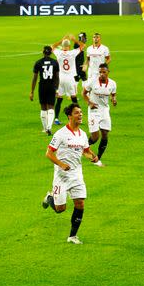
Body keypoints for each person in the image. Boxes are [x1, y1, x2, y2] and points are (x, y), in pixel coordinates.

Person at [42, 104, 102, 244]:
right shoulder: (61, 134)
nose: (80, 115)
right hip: (61, 177)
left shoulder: (82, 134)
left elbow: (85, 151)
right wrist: (61, 164)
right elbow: (49, 153)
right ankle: (49, 197)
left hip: (76, 175)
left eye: (81, 113)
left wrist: (93, 156)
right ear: (70, 116)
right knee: (60, 209)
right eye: (77, 113)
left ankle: (72, 236)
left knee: (80, 204)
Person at [82, 63, 116, 164]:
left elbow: (113, 94)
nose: (101, 74)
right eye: (100, 72)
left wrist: (114, 99)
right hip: (94, 110)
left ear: (108, 72)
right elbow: (83, 93)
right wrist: (89, 102)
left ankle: (98, 158)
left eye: (103, 72)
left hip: (105, 110)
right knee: (95, 137)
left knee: (105, 134)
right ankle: (83, 148)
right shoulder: (92, 82)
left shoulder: (113, 84)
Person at [30, 45, 60, 135]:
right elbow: (57, 77)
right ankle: (49, 127)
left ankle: (45, 128)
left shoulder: (38, 62)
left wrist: (32, 91)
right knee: (51, 107)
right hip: (51, 86)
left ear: (43, 52)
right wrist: (57, 89)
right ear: (51, 53)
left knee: (43, 108)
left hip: (42, 86)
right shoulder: (55, 62)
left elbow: (34, 78)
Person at [51, 37, 81, 125]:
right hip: (70, 78)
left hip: (60, 78)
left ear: (62, 45)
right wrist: (74, 39)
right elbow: (82, 46)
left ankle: (56, 118)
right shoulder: (72, 53)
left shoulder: (58, 52)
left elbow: (52, 46)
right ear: (69, 46)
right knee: (74, 98)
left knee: (59, 99)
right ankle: (79, 117)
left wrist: (61, 40)